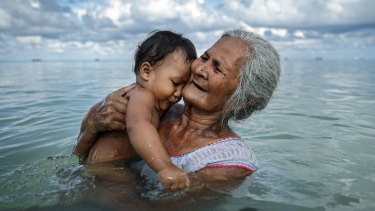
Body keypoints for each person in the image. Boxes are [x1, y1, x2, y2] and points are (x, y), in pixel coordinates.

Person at [74, 29, 281, 191]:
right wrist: (92, 124)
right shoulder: (158, 107)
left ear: (243, 101)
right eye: (204, 57)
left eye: (217, 68)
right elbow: (78, 159)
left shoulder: (230, 162)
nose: (200, 69)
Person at [82, 31, 197, 189]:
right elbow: (137, 124)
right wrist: (165, 167)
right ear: (146, 71)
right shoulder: (142, 96)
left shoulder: (143, 98)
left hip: (103, 169)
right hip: (107, 171)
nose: (179, 94)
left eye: (184, 86)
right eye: (176, 83)